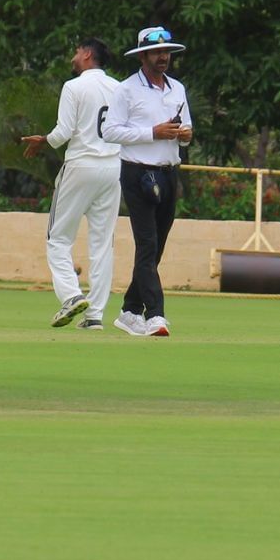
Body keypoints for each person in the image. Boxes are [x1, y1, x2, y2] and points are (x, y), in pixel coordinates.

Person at [20, 38, 122, 331]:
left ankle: (71, 296)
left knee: (58, 238)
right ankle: (95, 316)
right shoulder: (118, 88)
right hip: (112, 167)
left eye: (78, 51)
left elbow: (63, 131)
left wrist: (45, 141)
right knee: (102, 243)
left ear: (88, 54)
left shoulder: (74, 86)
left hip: (81, 164)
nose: (74, 56)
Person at [101, 27, 192, 337]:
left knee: (158, 246)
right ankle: (155, 314)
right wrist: (152, 133)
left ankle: (129, 310)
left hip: (168, 171)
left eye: (166, 52)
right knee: (147, 243)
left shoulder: (176, 88)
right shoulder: (126, 90)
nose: (163, 57)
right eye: (156, 52)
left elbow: (185, 128)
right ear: (143, 56)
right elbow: (110, 132)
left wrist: (184, 135)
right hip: (138, 172)